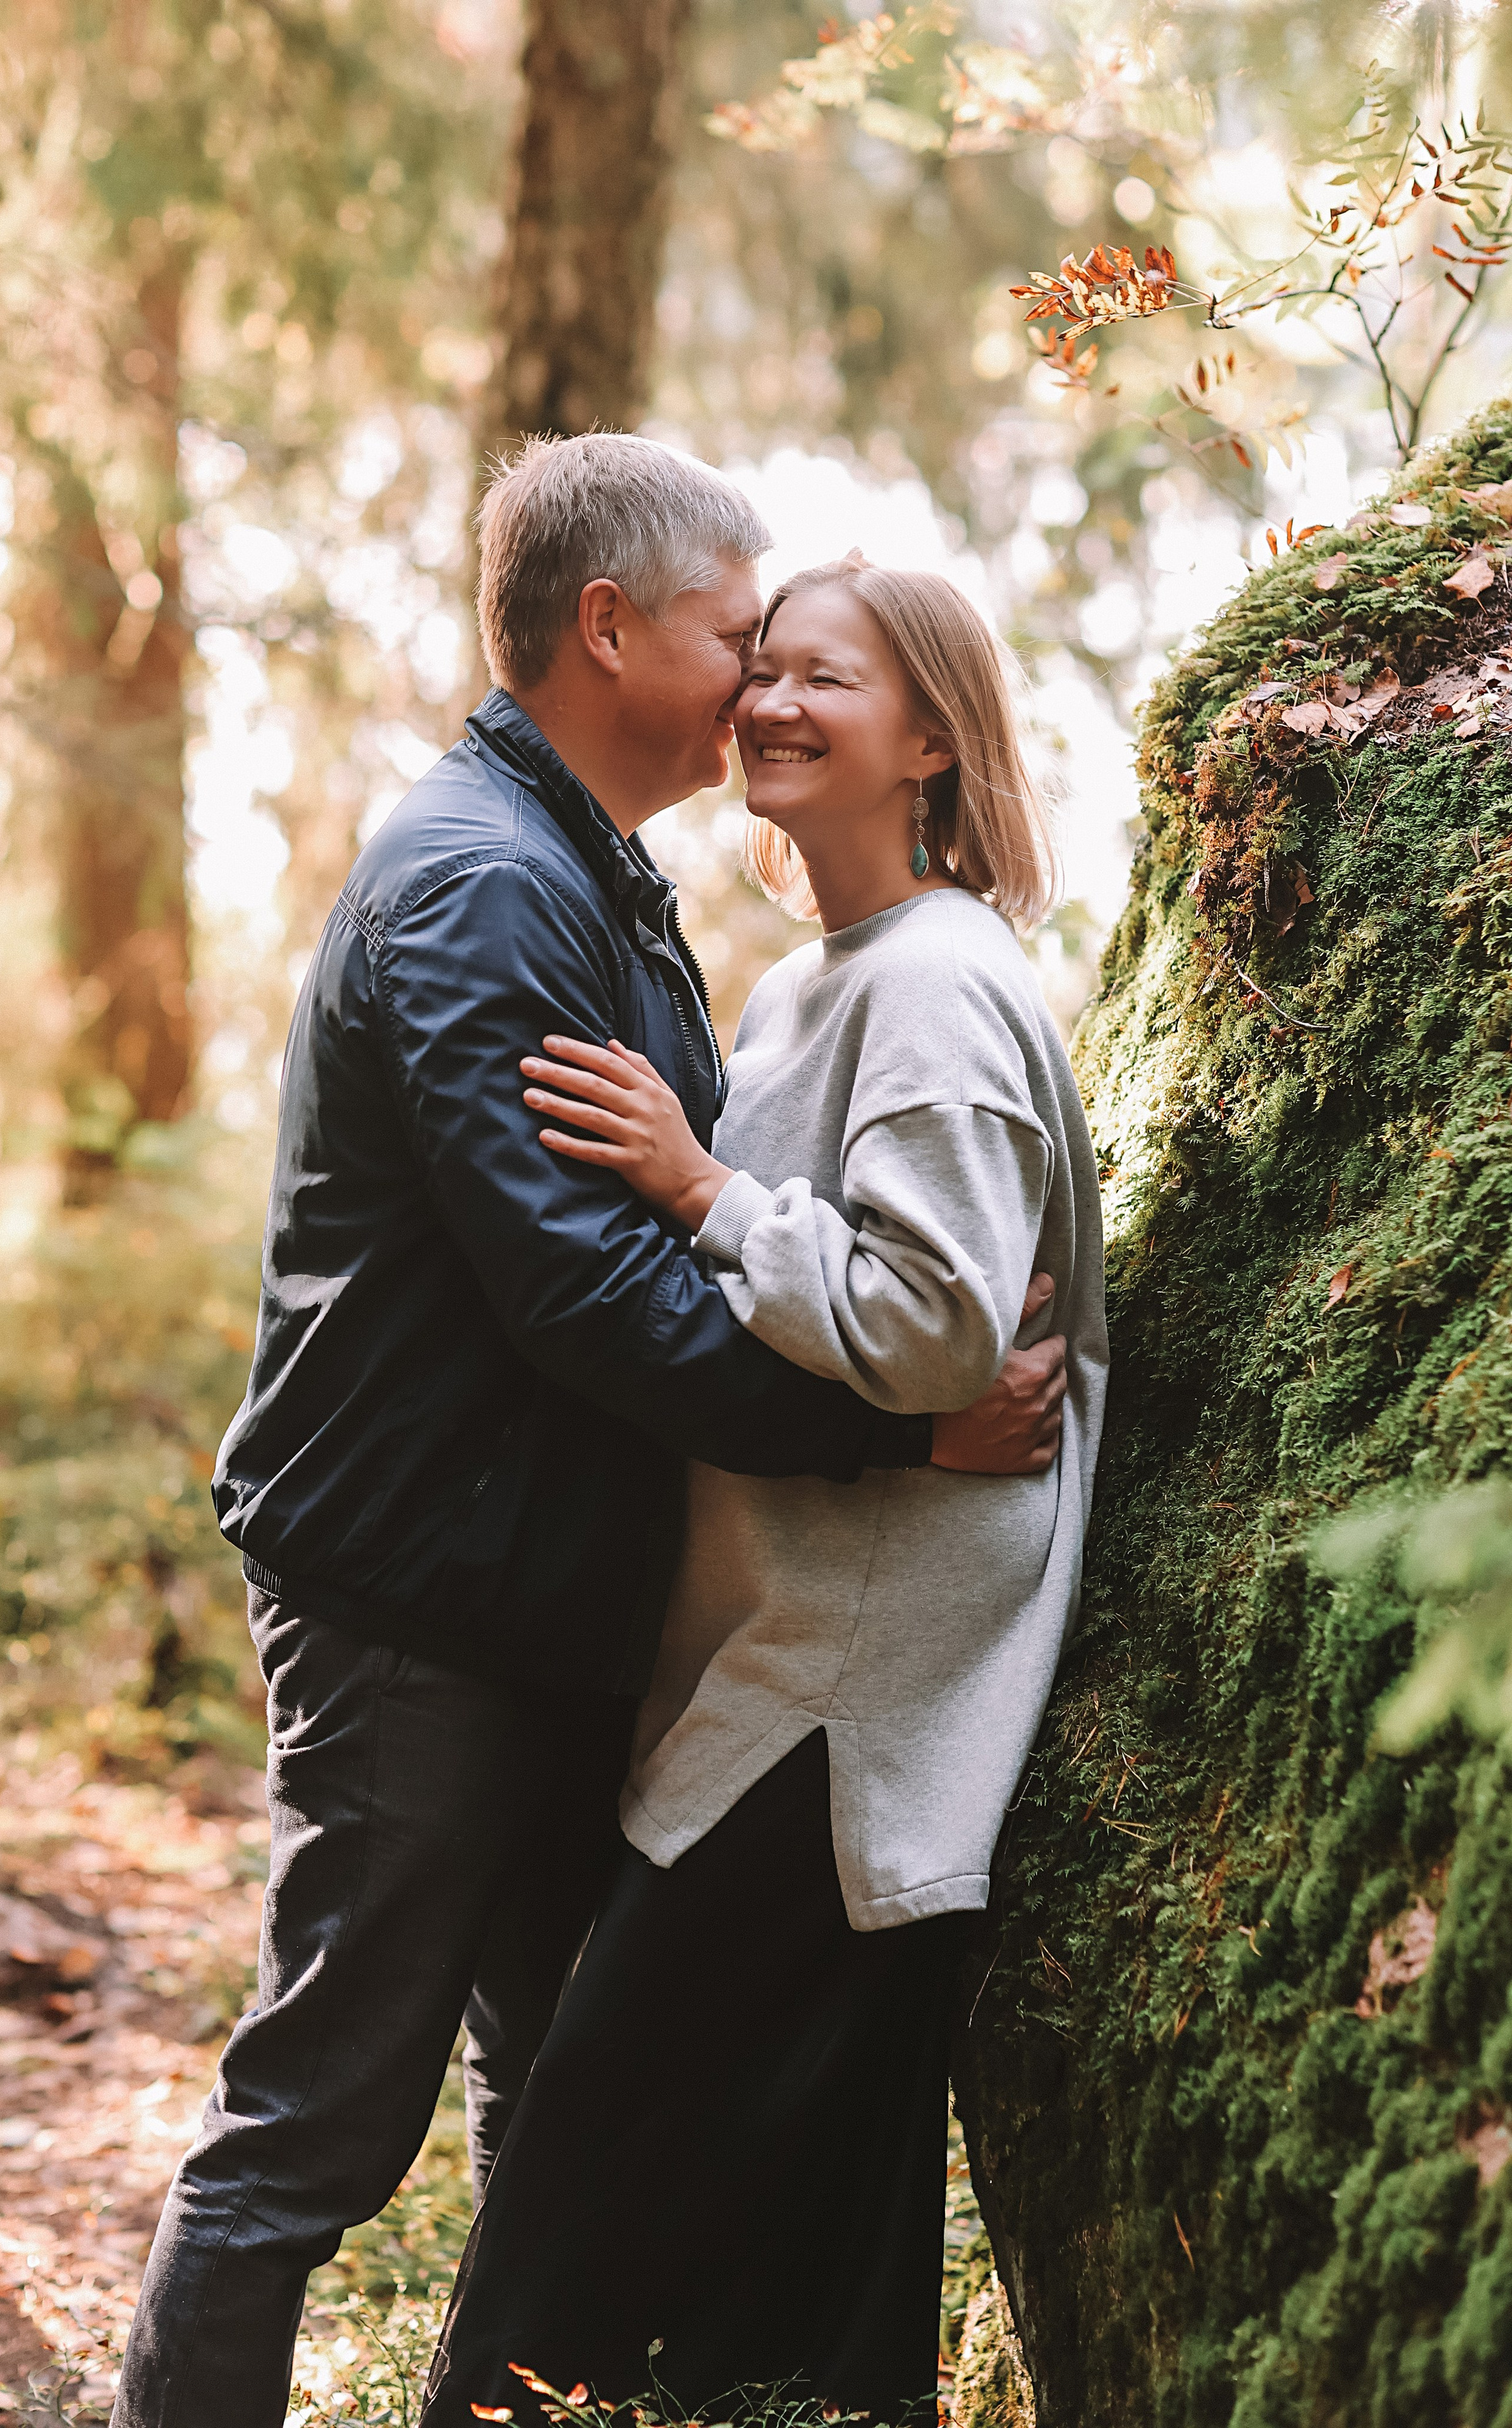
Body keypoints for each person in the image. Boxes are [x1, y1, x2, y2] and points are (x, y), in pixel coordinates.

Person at [111, 443, 1067, 2428]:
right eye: (738, 636)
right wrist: (894, 1442)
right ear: (609, 627)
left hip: (539, 1602)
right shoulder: (481, 887)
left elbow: (715, 1244)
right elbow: (589, 1291)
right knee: (314, 2126)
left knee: (550, 2107)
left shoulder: (594, 876)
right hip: (423, 1607)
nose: (752, 687)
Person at [422, 556, 1109, 2428]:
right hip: (773, 1658)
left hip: (846, 1703)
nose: (775, 706)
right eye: (767, 672)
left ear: (935, 742)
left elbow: (937, 1334)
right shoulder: (818, 983)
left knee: (574, 2242)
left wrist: (700, 1189)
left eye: (831, 680)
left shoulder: (947, 987)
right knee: (791, 2263)